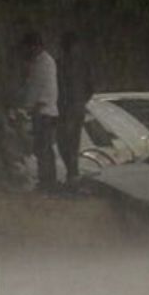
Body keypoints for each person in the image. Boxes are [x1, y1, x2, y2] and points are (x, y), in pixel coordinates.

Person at [18, 32, 60, 192]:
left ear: (35, 46)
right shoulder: (41, 62)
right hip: (43, 111)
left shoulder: (43, 63)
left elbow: (38, 90)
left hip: (44, 112)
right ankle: (46, 180)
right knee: (43, 148)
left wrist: (27, 108)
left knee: (44, 149)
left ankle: (48, 181)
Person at [56, 31, 95, 186]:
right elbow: (91, 87)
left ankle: (72, 174)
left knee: (65, 141)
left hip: (67, 107)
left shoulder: (61, 64)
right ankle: (73, 174)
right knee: (71, 141)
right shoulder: (83, 64)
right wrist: (81, 101)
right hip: (74, 106)